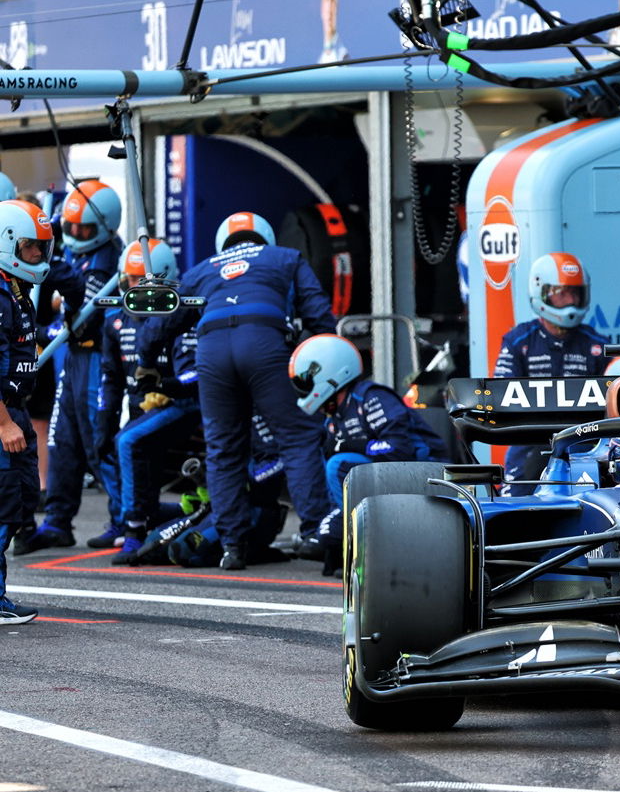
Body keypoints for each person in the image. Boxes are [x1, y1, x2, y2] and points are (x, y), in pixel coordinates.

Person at [137, 211, 337, 570]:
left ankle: (232, 546)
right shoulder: (286, 257)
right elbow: (319, 315)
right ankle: (315, 535)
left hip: (212, 350)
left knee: (223, 450)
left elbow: (160, 323)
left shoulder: (201, 270)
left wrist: (146, 363)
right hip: (264, 342)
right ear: (266, 238)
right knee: (296, 438)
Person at [15, 180, 124, 555]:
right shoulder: (74, 254)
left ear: (104, 224)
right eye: (71, 227)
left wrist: (38, 329)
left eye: (84, 229)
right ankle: (58, 521)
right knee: (62, 441)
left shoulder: (108, 258)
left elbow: (85, 320)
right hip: (74, 359)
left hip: (97, 358)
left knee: (98, 440)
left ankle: (125, 520)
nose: (76, 234)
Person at [287, 332, 449, 575]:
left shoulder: (373, 397)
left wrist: (354, 445)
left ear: (330, 372)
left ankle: (364, 550)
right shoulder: (334, 417)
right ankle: (350, 552)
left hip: (426, 473)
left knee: (339, 465)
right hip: (393, 477)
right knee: (326, 532)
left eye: (305, 381)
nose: (303, 389)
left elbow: (398, 449)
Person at [94, 239, 203, 565]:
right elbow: (110, 378)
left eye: (141, 280)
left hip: (182, 404)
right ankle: (139, 517)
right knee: (105, 441)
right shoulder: (114, 321)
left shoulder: (182, 316)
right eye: (129, 279)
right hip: (139, 408)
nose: (134, 287)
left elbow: (195, 376)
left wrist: (166, 387)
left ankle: (133, 531)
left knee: (128, 441)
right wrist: (104, 418)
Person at [493, 252, 609, 493]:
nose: (571, 300)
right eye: (562, 293)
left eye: (576, 293)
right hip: (529, 442)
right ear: (541, 293)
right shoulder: (518, 341)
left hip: (586, 443)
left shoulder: (598, 344)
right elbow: (500, 397)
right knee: (513, 502)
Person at [0, 200, 57, 623]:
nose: (37, 254)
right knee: (3, 507)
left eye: (41, 246)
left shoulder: (17, 290)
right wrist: (4, 423)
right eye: (29, 247)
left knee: (21, 503)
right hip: (3, 416)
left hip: (16, 410)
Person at [318, 0, 348, 64]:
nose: (329, 10)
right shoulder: (321, 59)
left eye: (333, 0)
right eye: (327, 0)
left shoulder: (342, 56)